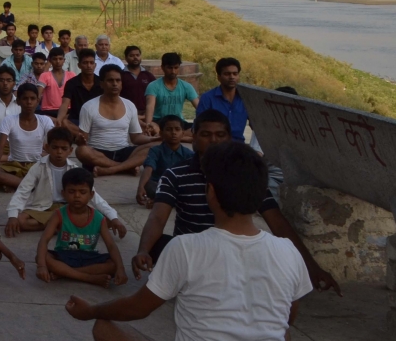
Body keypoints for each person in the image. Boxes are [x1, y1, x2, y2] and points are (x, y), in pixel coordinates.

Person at [66, 142, 313, 341]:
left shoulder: (186, 247)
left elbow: (137, 309)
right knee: (280, 329)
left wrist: (91, 310)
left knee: (104, 327)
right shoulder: (288, 251)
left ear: (211, 192)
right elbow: (288, 318)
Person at [131, 110, 340, 293]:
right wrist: (142, 250)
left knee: (271, 254)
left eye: (220, 135)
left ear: (229, 138)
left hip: (234, 255)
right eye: (205, 135)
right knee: (160, 244)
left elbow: (277, 222)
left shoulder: (245, 175)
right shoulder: (175, 175)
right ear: (193, 137)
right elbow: (158, 217)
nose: (213, 141)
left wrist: (311, 267)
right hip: (192, 253)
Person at [4, 127, 124, 238]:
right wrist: (12, 216)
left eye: (64, 148)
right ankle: (64, 225)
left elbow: (94, 197)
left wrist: (114, 217)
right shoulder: (38, 167)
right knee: (20, 220)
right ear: (47, 147)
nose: (59, 152)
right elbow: (22, 191)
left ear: (70, 150)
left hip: (68, 207)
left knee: (105, 221)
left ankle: (58, 225)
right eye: (55, 148)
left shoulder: (75, 169)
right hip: (44, 208)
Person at [35, 167, 128, 287]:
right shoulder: (59, 214)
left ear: (91, 195)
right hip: (65, 255)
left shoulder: (99, 218)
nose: (77, 196)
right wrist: (41, 266)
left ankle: (64, 273)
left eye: (82, 192)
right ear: (63, 194)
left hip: (89, 257)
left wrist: (121, 269)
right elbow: (44, 240)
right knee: (42, 257)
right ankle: (89, 278)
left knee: (113, 264)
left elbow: (111, 245)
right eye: (71, 191)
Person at [75, 65, 159, 177]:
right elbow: (83, 140)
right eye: (110, 80)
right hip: (99, 153)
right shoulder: (89, 106)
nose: (115, 84)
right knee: (81, 151)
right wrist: (80, 141)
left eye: (118, 80)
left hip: (124, 151)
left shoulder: (129, 105)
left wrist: (155, 138)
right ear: (102, 84)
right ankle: (124, 168)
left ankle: (110, 169)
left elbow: (136, 138)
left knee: (157, 146)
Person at [0, 83, 54, 191]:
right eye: (25, 98)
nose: (29, 102)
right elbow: (1, 146)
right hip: (14, 165)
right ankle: (32, 186)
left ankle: (17, 185)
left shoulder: (45, 120)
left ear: (38, 101)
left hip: (36, 165)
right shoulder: (9, 120)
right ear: (18, 101)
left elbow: (54, 142)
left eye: (32, 98)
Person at [137, 116, 192, 206]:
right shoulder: (155, 150)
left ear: (182, 133)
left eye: (177, 129)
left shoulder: (189, 154)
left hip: (180, 186)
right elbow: (148, 168)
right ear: (161, 134)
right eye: (169, 129)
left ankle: (161, 201)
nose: (173, 133)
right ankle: (170, 201)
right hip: (159, 184)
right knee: (148, 185)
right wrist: (141, 187)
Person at [195, 56, 249, 142]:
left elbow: (259, 127)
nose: (232, 77)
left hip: (238, 147)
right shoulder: (208, 98)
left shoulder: (246, 98)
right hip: (214, 146)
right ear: (218, 77)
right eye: (227, 74)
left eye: (235, 74)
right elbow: (199, 126)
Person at [144, 52, 199, 134]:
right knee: (155, 130)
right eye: (170, 68)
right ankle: (179, 136)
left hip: (178, 122)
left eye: (176, 68)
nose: (173, 71)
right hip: (159, 122)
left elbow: (199, 106)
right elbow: (150, 106)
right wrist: (148, 125)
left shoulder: (186, 86)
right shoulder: (153, 86)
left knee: (197, 130)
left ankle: (179, 136)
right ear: (162, 67)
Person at [57, 48, 102, 141]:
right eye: (85, 63)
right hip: (77, 120)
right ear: (79, 65)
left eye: (91, 63)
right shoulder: (71, 83)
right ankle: (89, 137)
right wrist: (59, 119)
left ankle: (84, 137)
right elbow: (65, 103)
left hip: (97, 120)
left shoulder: (102, 82)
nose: (88, 66)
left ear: (95, 65)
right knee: (64, 122)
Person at [118, 45, 155, 118]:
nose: (135, 58)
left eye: (137, 55)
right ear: (126, 58)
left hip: (146, 114)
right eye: (131, 55)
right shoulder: (120, 76)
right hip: (126, 114)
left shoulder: (148, 76)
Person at [38, 47, 73, 118]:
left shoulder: (71, 75)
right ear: (50, 60)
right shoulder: (45, 75)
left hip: (68, 111)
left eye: (60, 59)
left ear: (64, 60)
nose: (58, 61)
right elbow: (38, 94)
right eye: (55, 59)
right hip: (48, 111)